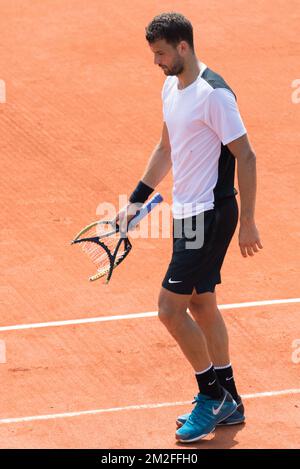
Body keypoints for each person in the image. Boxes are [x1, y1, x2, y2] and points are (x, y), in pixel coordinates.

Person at [117, 12, 263, 443]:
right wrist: (136, 201)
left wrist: (248, 221)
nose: (156, 62)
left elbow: (247, 156)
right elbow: (166, 147)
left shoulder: (214, 95)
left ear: (183, 47)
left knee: (169, 308)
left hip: (210, 214)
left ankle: (211, 395)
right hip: (186, 214)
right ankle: (230, 397)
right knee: (200, 305)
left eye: (161, 53)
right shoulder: (170, 87)